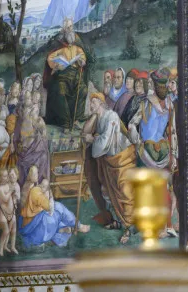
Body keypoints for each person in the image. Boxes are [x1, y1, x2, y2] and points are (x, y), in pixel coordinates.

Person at [82, 91, 137, 244]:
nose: (90, 105)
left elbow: (104, 141)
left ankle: (129, 227)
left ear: (100, 103)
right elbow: (85, 132)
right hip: (109, 161)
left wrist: (93, 139)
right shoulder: (98, 118)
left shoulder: (111, 115)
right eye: (90, 102)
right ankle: (119, 220)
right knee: (108, 191)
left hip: (122, 158)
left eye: (93, 102)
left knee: (124, 192)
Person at [43, 18, 91, 127]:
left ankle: (76, 120)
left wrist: (81, 61)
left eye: (71, 27)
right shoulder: (58, 44)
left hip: (75, 74)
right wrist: (56, 65)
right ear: (64, 30)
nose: (70, 29)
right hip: (62, 76)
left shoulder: (77, 44)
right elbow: (50, 58)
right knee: (60, 91)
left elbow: (83, 58)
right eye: (68, 27)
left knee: (83, 89)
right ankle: (65, 121)